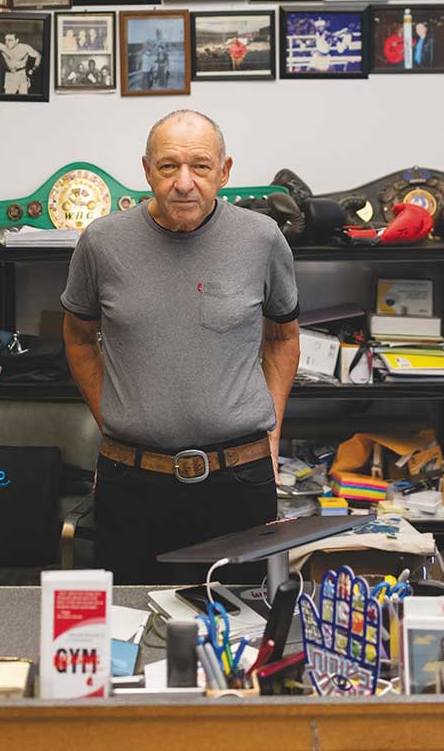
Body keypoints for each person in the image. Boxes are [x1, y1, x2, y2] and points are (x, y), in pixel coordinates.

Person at [61, 110, 300, 583]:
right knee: (129, 627)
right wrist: (111, 416)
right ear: (147, 170)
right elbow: (78, 337)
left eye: (201, 167)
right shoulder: (102, 242)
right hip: (130, 481)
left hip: (239, 482)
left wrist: (271, 436)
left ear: (225, 171)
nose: (184, 183)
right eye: (168, 167)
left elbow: (283, 335)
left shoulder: (261, 238)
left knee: (240, 630)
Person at [0, 31, 41, 95]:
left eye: (10, 40)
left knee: (24, 99)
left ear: (17, 40)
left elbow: (38, 56)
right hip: (10, 76)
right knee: (8, 99)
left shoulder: (25, 48)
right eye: (6, 40)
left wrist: (34, 69)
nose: (7, 42)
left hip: (22, 75)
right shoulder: (3, 47)